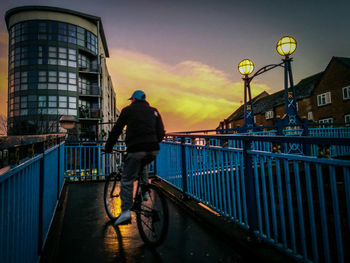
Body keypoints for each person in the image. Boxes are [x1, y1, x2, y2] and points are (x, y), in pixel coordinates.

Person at [104, 90, 165, 225]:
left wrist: (108, 147)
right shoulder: (153, 111)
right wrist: (152, 142)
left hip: (135, 149)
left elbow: (117, 130)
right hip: (153, 149)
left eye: (131, 100)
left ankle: (125, 212)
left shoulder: (128, 110)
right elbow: (161, 132)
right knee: (142, 164)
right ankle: (145, 192)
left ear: (133, 100)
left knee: (127, 179)